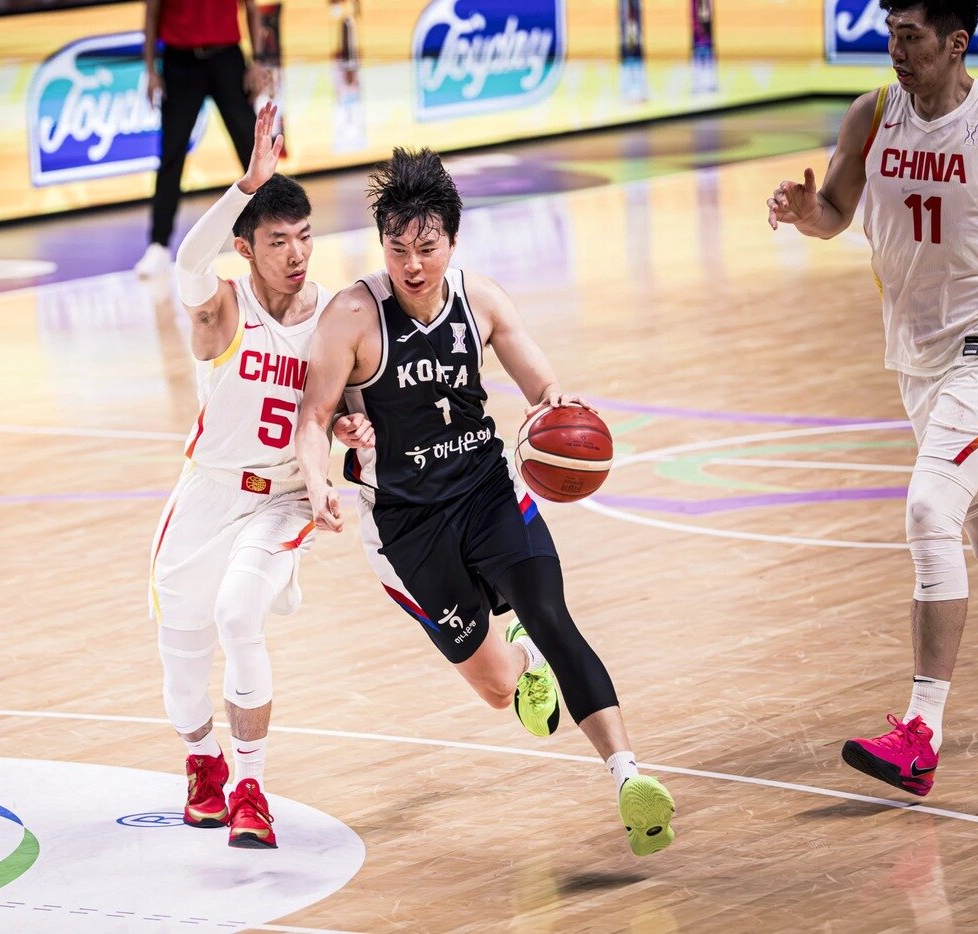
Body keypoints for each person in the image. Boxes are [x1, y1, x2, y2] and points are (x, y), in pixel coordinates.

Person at [294, 147, 677, 857]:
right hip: (408, 529)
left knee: (552, 615)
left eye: (427, 247)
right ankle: (520, 666)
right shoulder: (353, 315)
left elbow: (545, 393)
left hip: (486, 493)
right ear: (383, 245)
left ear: (452, 242)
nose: (413, 264)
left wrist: (559, 409)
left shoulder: (483, 300)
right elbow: (314, 417)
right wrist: (319, 479)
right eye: (398, 248)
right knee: (498, 689)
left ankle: (629, 778)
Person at [768, 0, 978, 798]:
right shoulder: (871, 115)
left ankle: (921, 732)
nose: (895, 50)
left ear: (956, 42)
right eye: (890, 34)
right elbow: (836, 212)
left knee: (928, 512)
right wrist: (809, 216)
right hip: (916, 363)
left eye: (910, 37)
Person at [150, 104, 364, 848]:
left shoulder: (336, 316)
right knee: (181, 658)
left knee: (239, 615)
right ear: (246, 248)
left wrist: (354, 426)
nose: (297, 252)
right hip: (207, 492)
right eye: (278, 240)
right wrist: (246, 184)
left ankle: (251, 786)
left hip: (283, 496)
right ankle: (203, 763)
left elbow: (351, 402)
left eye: (305, 236)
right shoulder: (222, 309)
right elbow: (185, 263)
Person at [134, 0, 268, 278]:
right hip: (180, 63)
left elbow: (252, 8)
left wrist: (257, 62)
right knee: (171, 153)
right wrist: (150, 71)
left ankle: (277, 223)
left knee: (252, 149)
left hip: (227, 58)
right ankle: (158, 245)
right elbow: (152, 12)